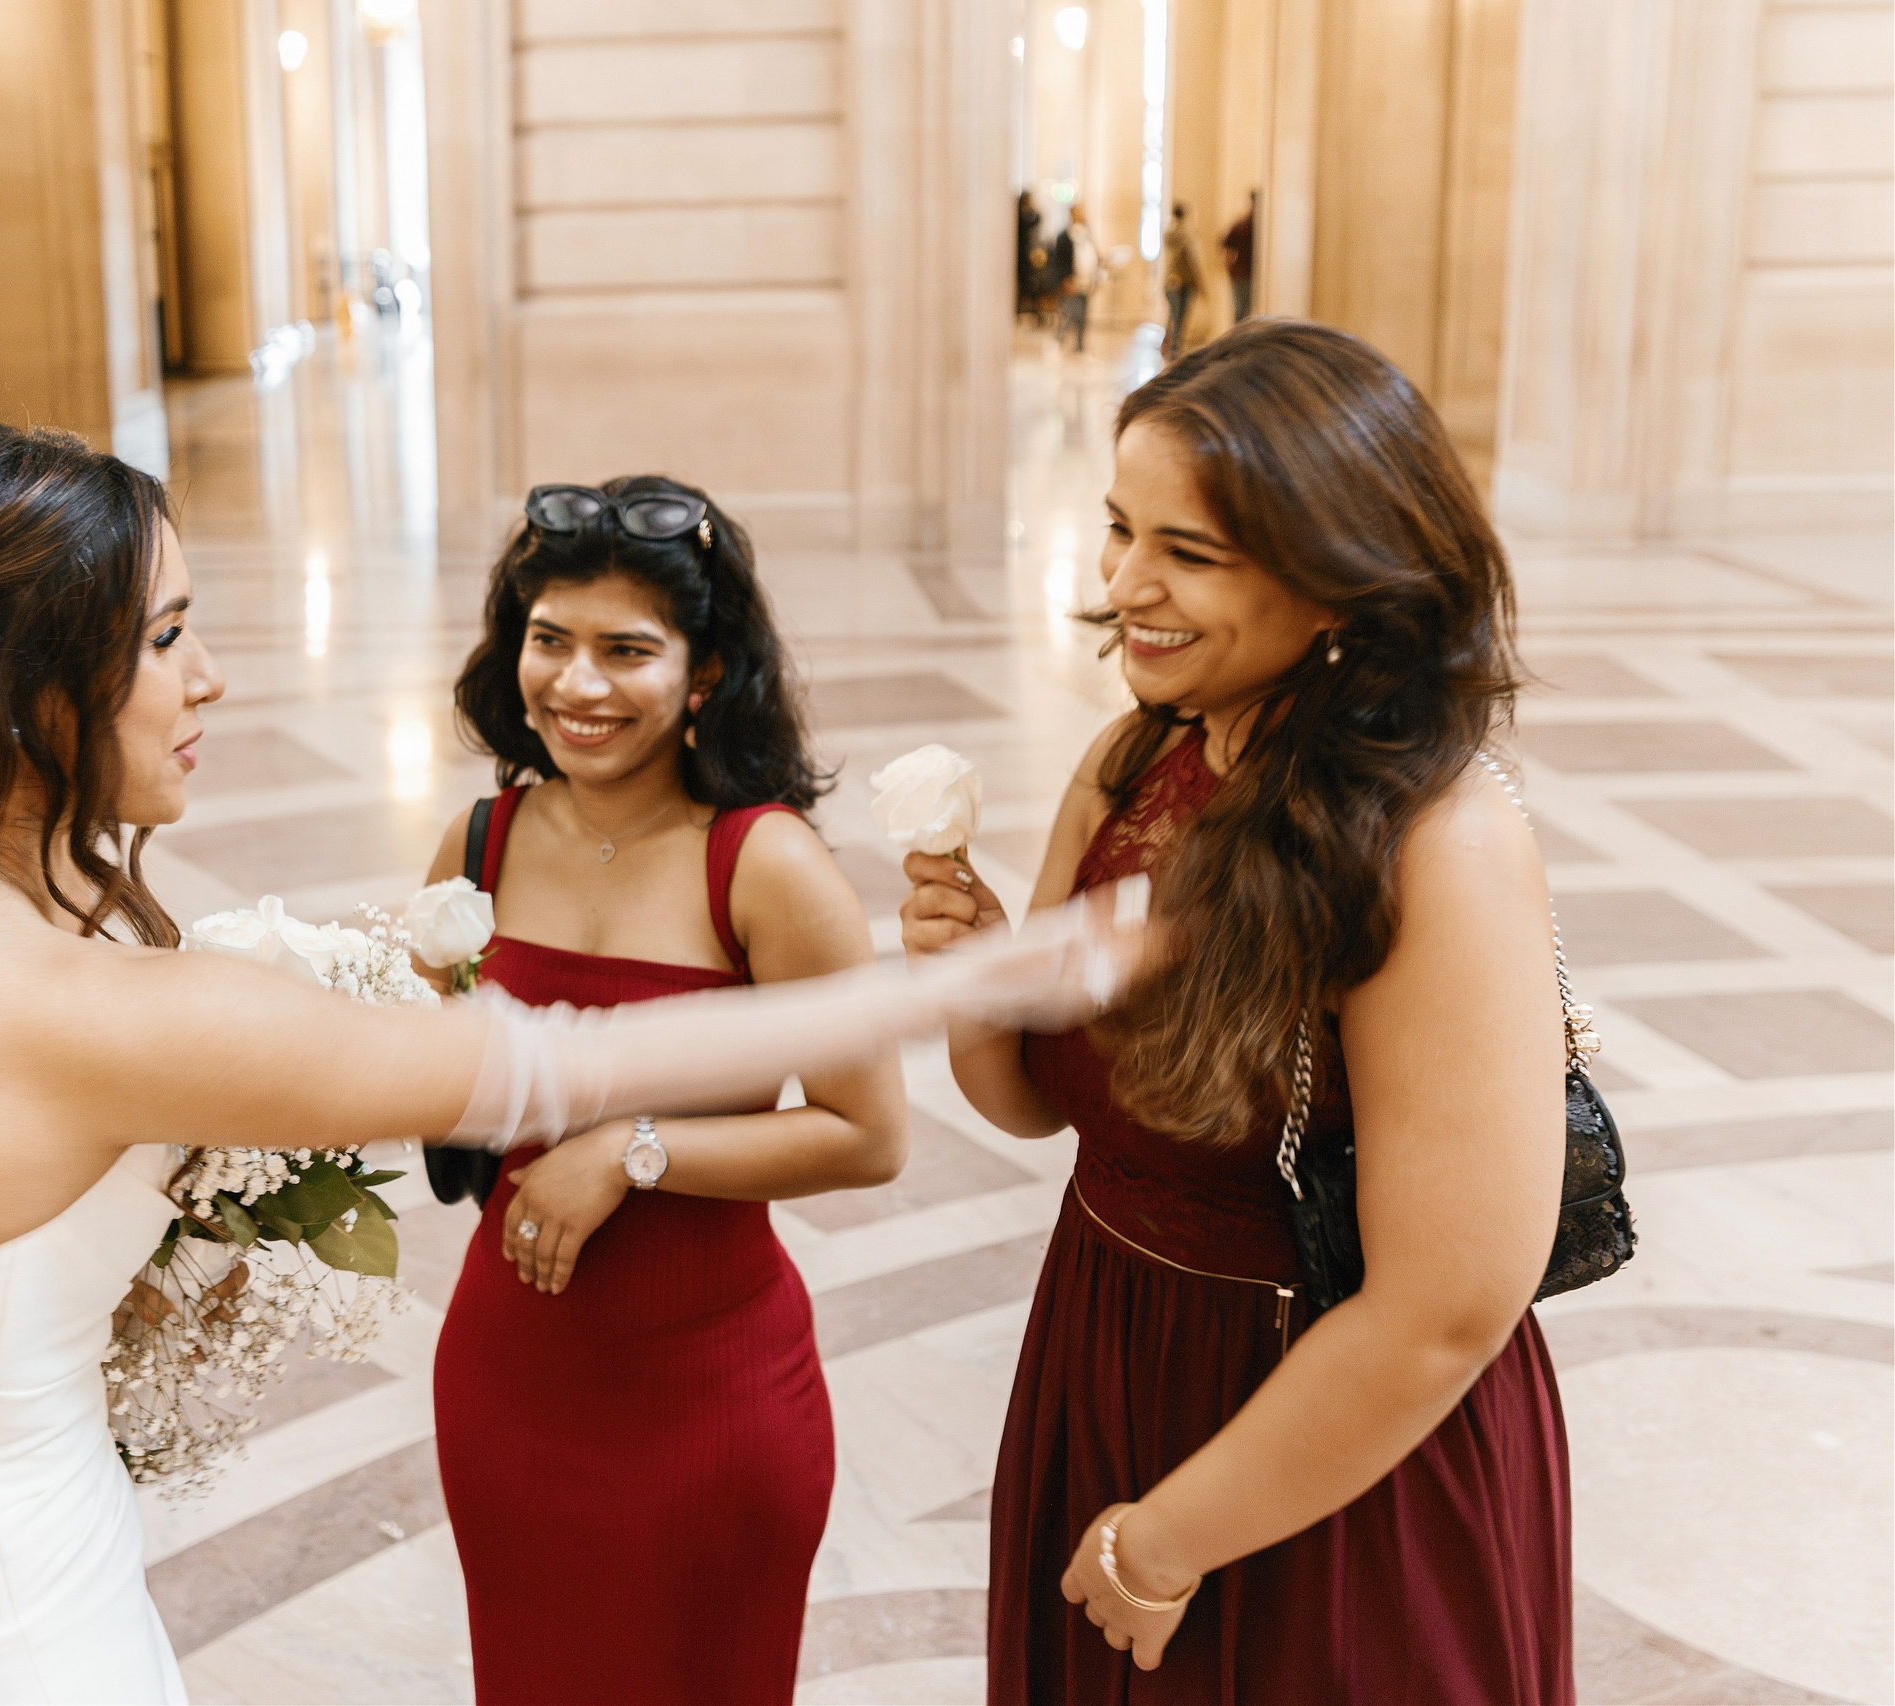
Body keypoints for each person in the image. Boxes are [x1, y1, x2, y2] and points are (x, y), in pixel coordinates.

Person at [0, 409, 1151, 1704]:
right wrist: (985, 974)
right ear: (26, 692)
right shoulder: (66, 1006)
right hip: (5, 1639)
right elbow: (545, 1069)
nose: (212, 676)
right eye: (166, 639)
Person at [899, 319, 1571, 1703]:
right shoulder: (1137, 754)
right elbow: (1041, 1104)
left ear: (1342, 579)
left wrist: (1168, 1538)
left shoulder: (1435, 843)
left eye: (1186, 553)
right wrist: (975, 986)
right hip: (1111, 1345)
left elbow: (1448, 1308)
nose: (1122, 584)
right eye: (1118, 529)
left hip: (1330, 1436)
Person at [426, 478, 907, 1704]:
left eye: (626, 650)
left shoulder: (764, 864)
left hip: (711, 1399)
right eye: (549, 639)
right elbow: (425, 1070)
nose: (577, 685)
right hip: (511, 1372)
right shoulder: (476, 844)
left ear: (703, 675)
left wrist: (632, 1148)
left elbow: (867, 1136)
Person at [1162, 202, 1204, 359]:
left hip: (1173, 282)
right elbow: (1195, 263)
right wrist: (1203, 287)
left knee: (1174, 316)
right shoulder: (1187, 236)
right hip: (1181, 282)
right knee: (1179, 318)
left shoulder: (1169, 234)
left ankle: (1172, 347)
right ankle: (1174, 350)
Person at [1056, 207, 1099, 353]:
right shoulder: (1064, 236)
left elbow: (1093, 256)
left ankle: (1080, 345)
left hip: (1086, 281)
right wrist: (1065, 279)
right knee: (1072, 313)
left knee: (1083, 316)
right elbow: (1060, 261)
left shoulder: (1087, 235)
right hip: (1071, 281)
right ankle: (1059, 338)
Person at [1221, 195, 1256, 324]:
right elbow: (1227, 249)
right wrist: (1229, 269)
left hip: (1245, 275)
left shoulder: (1255, 225)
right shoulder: (1243, 225)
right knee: (1242, 312)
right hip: (1241, 275)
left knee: (1245, 313)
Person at [1017, 190, 1046, 324]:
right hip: (1020, 256)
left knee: (1034, 284)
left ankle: (1036, 312)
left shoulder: (1025, 215)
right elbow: (1035, 220)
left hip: (1027, 256)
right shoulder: (1019, 216)